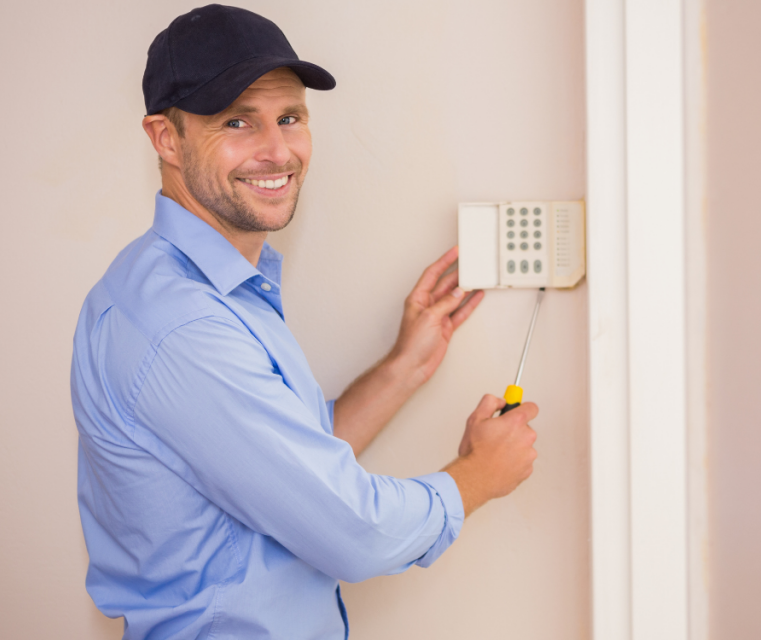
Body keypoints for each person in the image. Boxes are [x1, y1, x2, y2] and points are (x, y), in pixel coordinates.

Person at [70, 5, 539, 639]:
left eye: (290, 118)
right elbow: (352, 531)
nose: (277, 150)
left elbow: (287, 471)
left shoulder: (209, 285)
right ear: (167, 139)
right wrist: (478, 477)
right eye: (237, 121)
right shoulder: (181, 328)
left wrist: (404, 367)